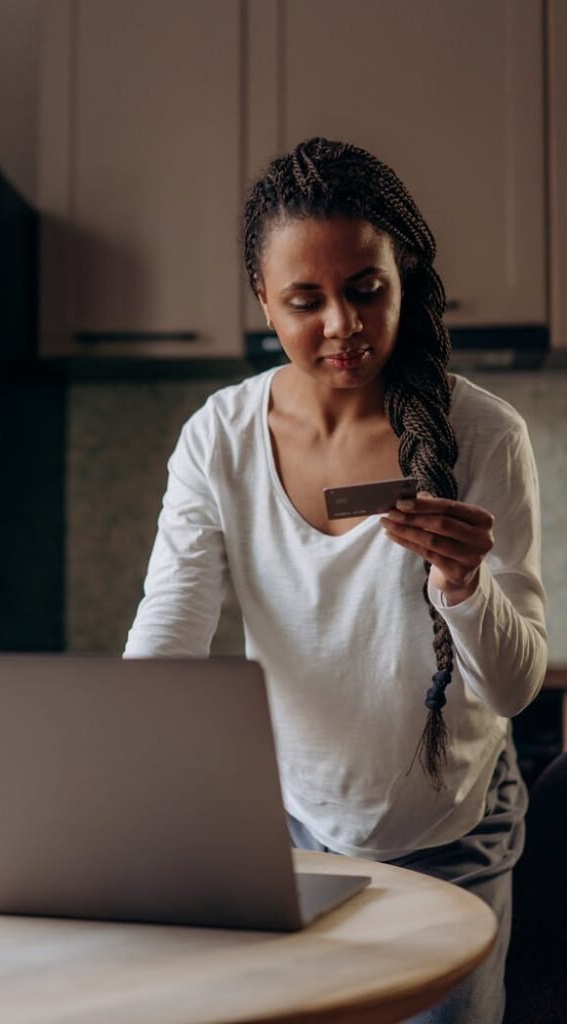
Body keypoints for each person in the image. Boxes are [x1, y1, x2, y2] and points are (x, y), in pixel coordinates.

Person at [124, 138, 547, 1023]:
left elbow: (512, 687)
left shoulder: (484, 434)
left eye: (365, 289)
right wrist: (121, 757)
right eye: (304, 300)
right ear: (262, 302)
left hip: (454, 831)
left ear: (405, 280)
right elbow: (170, 625)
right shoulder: (220, 437)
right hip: (290, 833)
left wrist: (463, 583)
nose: (341, 326)